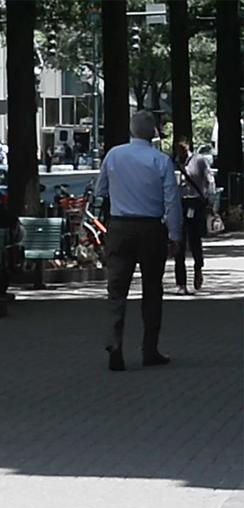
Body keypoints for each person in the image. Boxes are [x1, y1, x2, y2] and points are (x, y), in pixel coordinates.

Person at [96, 110, 182, 371]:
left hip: (119, 227)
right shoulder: (161, 161)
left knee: (116, 289)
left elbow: (101, 190)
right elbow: (172, 201)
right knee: (152, 290)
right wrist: (176, 236)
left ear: (132, 130)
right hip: (150, 230)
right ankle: (149, 349)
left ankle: (115, 343)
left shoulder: (114, 155)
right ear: (154, 132)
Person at [174, 136, 215, 294]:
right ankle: (181, 283)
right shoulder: (173, 163)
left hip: (196, 203)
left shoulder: (199, 161)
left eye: (182, 149)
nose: (180, 152)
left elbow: (209, 180)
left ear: (187, 147)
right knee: (179, 241)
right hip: (180, 204)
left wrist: (210, 199)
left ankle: (198, 268)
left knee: (195, 239)